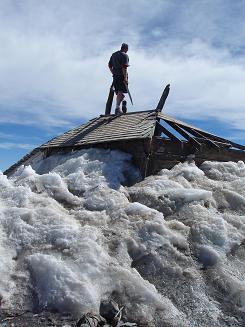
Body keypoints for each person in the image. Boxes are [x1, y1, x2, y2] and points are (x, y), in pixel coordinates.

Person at [108, 43, 129, 114]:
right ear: (126, 48)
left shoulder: (114, 55)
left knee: (120, 93)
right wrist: (125, 78)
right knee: (120, 91)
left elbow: (109, 65)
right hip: (121, 76)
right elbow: (124, 67)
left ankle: (122, 103)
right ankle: (117, 108)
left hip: (115, 76)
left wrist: (113, 73)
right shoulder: (124, 55)